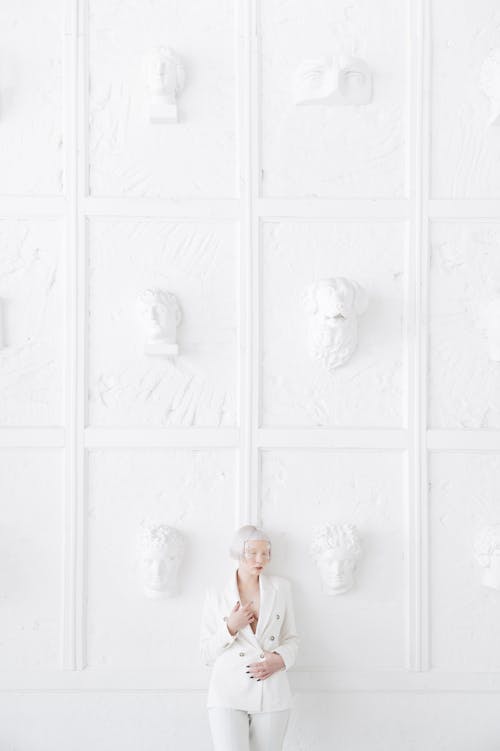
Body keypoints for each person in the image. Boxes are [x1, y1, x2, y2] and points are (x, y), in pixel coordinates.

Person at [200, 525, 299, 751]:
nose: (260, 559)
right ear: (237, 553)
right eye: (252, 552)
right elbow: (205, 654)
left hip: (272, 690)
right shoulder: (216, 593)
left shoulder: (281, 588)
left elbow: (292, 639)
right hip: (227, 693)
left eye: (265, 553)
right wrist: (230, 627)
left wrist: (281, 659)